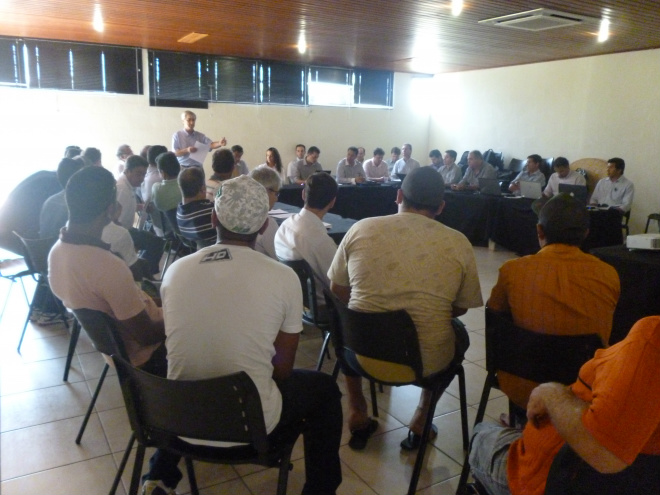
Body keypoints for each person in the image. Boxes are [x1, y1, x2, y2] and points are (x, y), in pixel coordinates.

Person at [142, 175, 343, 495]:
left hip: (178, 421)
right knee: (324, 389)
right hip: (252, 428)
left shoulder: (175, 271)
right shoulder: (282, 278)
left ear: (212, 218)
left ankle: (160, 473)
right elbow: (282, 369)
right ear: (265, 225)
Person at [328, 166, 483, 450]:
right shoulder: (459, 243)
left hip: (358, 354)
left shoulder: (361, 228)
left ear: (398, 195)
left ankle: (357, 409)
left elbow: (337, 291)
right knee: (460, 335)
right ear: (441, 207)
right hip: (424, 365)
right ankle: (423, 416)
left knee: (344, 319)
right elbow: (460, 308)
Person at [468, 315, 660, 495]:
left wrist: (550, 394)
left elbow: (606, 454)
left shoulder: (652, 337)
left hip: (543, 480)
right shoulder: (611, 281)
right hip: (574, 470)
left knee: (481, 432)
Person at [488, 194, 620, 418]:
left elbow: (494, 315)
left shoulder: (512, 270)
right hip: (582, 391)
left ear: (540, 231)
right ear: (586, 233)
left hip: (520, 384)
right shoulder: (608, 274)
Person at [48, 166, 166, 376]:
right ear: (111, 209)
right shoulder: (108, 266)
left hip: (117, 355)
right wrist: (183, 315)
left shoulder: (56, 253)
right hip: (149, 360)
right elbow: (146, 336)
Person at [275, 172, 338, 310]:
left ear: (303, 194)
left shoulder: (284, 226)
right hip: (323, 306)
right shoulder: (320, 241)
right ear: (333, 202)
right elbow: (338, 285)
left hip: (295, 301)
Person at [116, 155, 165, 275]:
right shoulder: (122, 189)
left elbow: (124, 208)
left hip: (126, 229)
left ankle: (143, 270)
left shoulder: (127, 184)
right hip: (122, 232)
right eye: (138, 174)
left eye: (144, 174)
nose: (142, 178)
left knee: (154, 241)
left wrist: (140, 207)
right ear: (127, 171)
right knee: (156, 243)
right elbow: (117, 220)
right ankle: (145, 274)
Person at [176, 167, 216, 249]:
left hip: (200, 249)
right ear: (202, 189)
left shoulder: (180, 213)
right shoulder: (211, 211)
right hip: (221, 248)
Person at [250, 166, 282, 260]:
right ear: (265, 191)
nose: (276, 198)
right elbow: (279, 258)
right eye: (276, 193)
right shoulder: (267, 222)